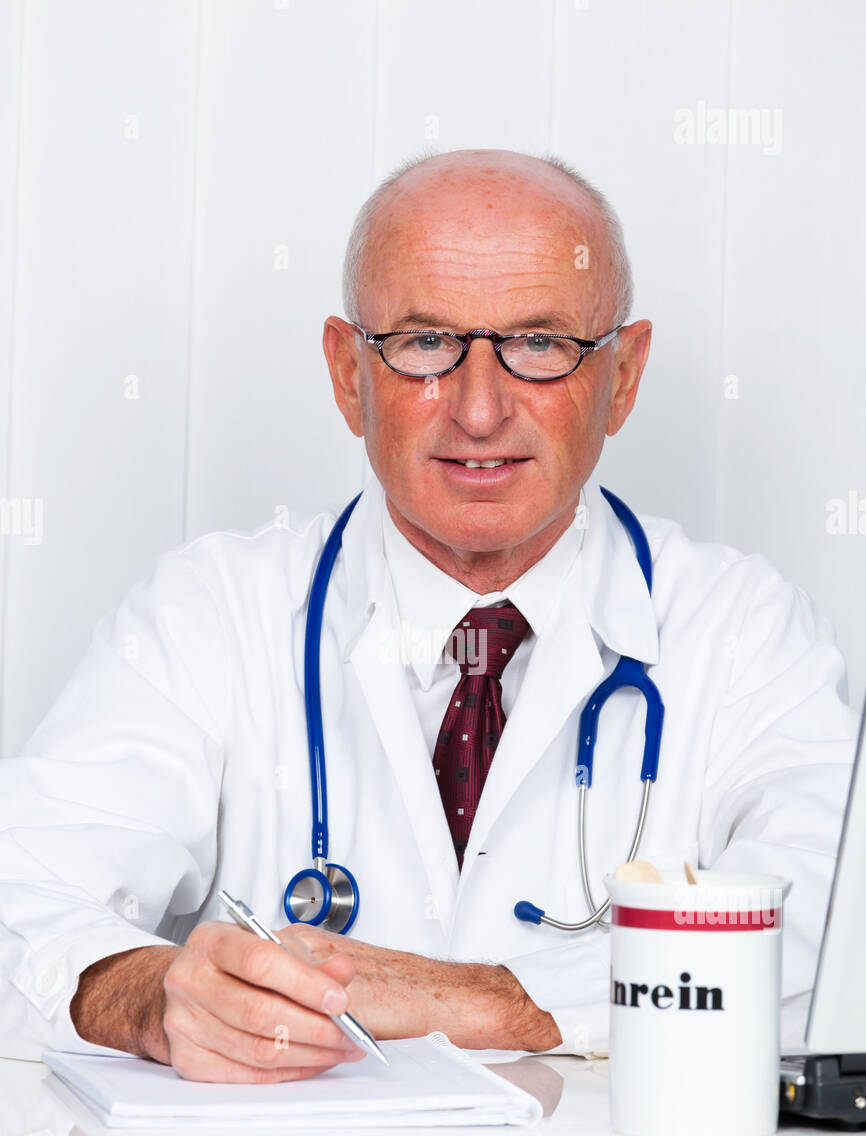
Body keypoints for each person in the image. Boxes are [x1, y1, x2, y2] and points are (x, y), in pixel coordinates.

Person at [0, 149, 856, 1081]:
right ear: (345, 372)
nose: (480, 411)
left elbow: (829, 935)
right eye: (423, 344)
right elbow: (23, 892)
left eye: (539, 344)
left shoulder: (746, 633)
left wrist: (497, 1001)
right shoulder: (210, 616)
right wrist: (151, 996)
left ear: (624, 374)